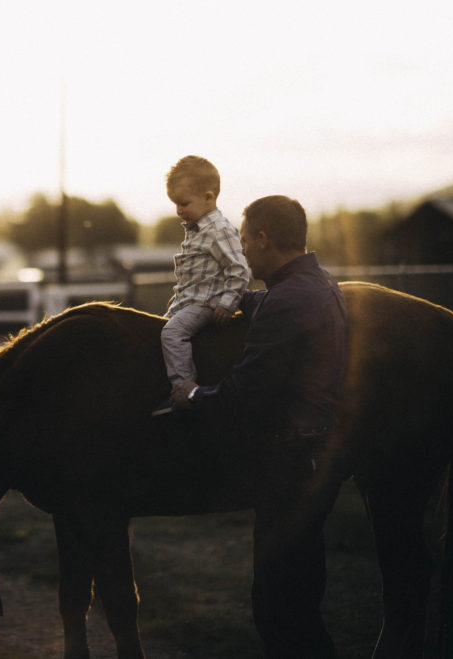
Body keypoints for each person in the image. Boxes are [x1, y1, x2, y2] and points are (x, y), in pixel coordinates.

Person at [171, 195, 348, 657]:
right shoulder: (319, 284)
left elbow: (245, 396)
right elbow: (275, 307)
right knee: (302, 600)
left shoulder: (287, 302)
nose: (243, 250)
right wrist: (237, 301)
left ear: (264, 239)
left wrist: (191, 395)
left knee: (276, 608)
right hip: (316, 458)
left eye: (246, 239)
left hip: (287, 464)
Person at [156, 156, 249, 414]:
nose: (178, 210)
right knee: (158, 330)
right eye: (175, 204)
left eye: (184, 203)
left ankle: (183, 389)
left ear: (209, 197)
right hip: (190, 301)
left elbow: (239, 268)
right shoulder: (197, 230)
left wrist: (227, 302)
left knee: (172, 334)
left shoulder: (219, 229)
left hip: (207, 303)